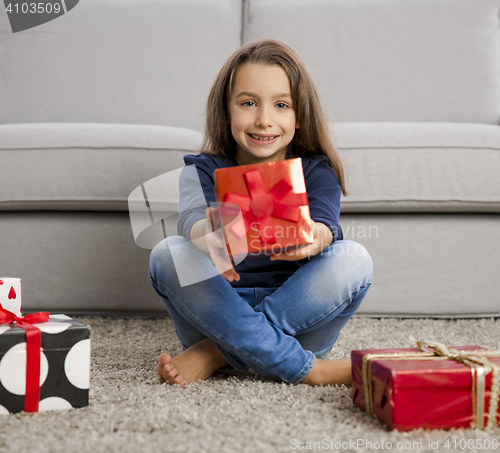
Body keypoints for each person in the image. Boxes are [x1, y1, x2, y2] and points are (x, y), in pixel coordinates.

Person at [149, 39, 373, 387]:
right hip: (218, 309)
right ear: (227, 110)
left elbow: (326, 225)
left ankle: (215, 353)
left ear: (300, 118)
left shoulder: (316, 170)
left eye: (281, 105)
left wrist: (315, 239)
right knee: (167, 253)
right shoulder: (202, 169)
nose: (264, 120)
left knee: (355, 257)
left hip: (299, 319)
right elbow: (190, 222)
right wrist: (211, 234)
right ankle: (308, 369)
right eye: (249, 103)